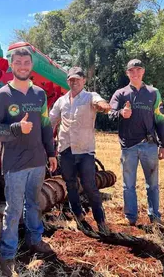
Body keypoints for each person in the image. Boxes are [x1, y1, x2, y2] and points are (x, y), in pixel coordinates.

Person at [0, 47, 58, 277]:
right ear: (11, 65)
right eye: (18, 62)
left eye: (26, 62)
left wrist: (51, 153)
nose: (23, 66)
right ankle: (7, 255)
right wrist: (17, 128)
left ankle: (34, 241)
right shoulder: (3, 95)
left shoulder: (39, 94)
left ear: (31, 65)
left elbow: (46, 126)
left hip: (38, 161)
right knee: (14, 210)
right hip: (15, 164)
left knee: (34, 204)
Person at [49, 67, 111, 234]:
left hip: (85, 151)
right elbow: (50, 121)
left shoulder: (90, 97)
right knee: (70, 186)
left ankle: (101, 221)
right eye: (71, 79)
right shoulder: (61, 101)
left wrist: (104, 106)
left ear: (84, 81)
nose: (74, 82)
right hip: (66, 150)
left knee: (90, 186)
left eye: (77, 79)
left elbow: (99, 103)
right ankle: (78, 217)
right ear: (67, 81)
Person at [108, 59, 164, 226]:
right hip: (129, 147)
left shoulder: (153, 93)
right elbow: (110, 113)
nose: (135, 73)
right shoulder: (120, 94)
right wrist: (121, 113)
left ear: (143, 72)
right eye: (131, 71)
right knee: (128, 185)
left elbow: (160, 119)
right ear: (127, 73)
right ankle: (131, 217)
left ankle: (155, 217)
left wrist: (163, 144)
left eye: (138, 70)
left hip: (149, 145)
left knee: (153, 185)